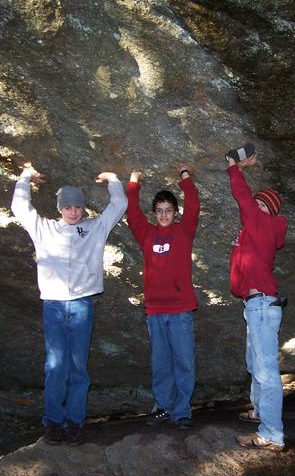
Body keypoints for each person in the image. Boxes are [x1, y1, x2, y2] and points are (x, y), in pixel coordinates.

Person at [11, 163, 127, 445]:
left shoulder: (94, 228)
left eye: (78, 207)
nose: (73, 212)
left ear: (83, 208)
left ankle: (75, 422)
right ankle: (53, 422)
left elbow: (119, 204)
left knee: (78, 368)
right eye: (68, 207)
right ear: (59, 208)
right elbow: (19, 208)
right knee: (54, 366)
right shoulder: (45, 229)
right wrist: (26, 176)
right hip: (53, 305)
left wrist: (112, 179)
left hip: (81, 306)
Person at [126, 165, 199, 430]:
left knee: (183, 361)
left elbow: (193, 207)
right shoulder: (147, 234)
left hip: (180, 310)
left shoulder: (184, 231)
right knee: (160, 363)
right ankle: (164, 407)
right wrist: (134, 182)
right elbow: (132, 216)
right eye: (160, 211)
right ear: (154, 213)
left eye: (169, 210)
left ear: (175, 212)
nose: (164, 215)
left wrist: (185, 178)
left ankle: (182, 411)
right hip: (155, 311)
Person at [226, 150, 288, 453]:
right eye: (258, 203)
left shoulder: (260, 222)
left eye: (262, 205)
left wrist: (234, 166)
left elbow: (242, 196)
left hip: (262, 306)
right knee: (255, 363)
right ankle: (260, 411)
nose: (256, 207)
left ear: (269, 212)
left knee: (266, 370)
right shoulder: (255, 229)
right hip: (256, 306)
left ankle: (272, 433)